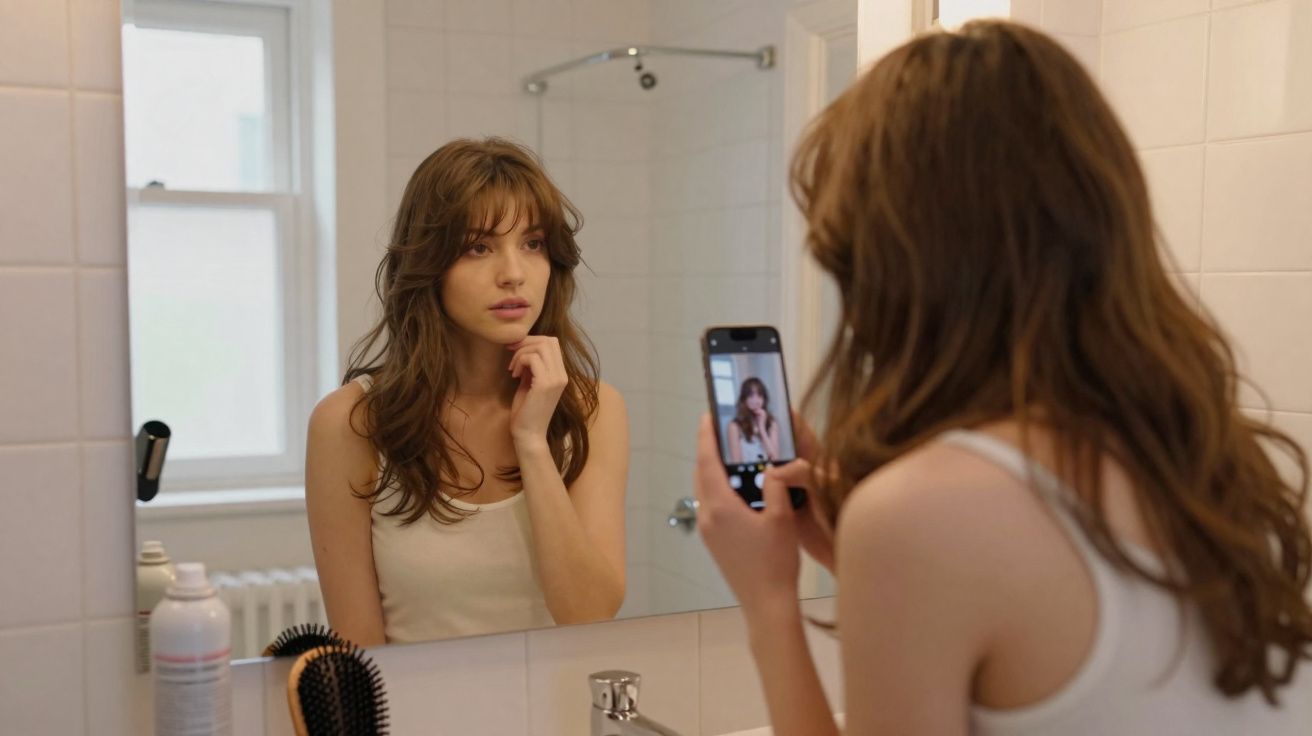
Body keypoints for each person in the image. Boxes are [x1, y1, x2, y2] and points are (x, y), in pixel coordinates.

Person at [694, 20, 1312, 735]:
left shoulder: (921, 514)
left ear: (894, 268)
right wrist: (854, 549)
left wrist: (769, 603)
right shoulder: (1214, 464)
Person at [306, 138, 628, 645]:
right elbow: (359, 650)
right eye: (478, 247)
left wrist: (532, 443)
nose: (514, 274)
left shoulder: (593, 409)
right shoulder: (351, 423)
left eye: (533, 243)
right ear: (429, 264)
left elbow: (589, 614)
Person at [728, 377, 782, 463]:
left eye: (759, 396)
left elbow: (775, 459)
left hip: (769, 470)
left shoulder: (772, 423)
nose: (756, 401)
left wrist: (762, 429)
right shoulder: (734, 426)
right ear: (744, 399)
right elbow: (736, 462)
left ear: (764, 399)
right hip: (747, 471)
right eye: (751, 396)